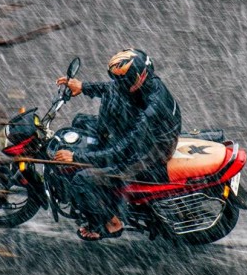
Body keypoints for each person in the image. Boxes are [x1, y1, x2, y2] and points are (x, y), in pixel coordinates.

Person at [54, 48, 181, 241]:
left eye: (123, 81)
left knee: (83, 179)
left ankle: (112, 223)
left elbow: (124, 149)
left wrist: (76, 157)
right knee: (80, 121)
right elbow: (112, 89)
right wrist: (83, 87)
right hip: (144, 138)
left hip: (149, 152)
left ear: (140, 76)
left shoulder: (151, 110)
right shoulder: (144, 85)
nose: (118, 85)